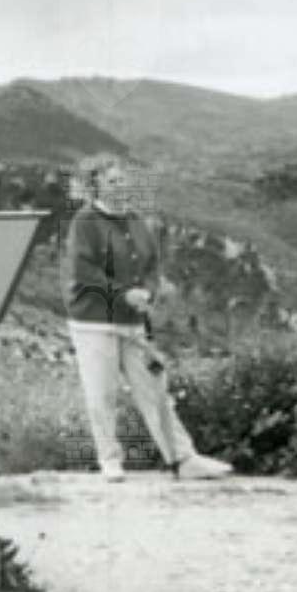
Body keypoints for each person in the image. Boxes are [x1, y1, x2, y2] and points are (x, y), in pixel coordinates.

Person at [65, 155, 232, 483]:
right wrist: (122, 293)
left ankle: (182, 458)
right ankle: (109, 460)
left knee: (155, 389)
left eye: (122, 180)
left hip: (133, 322)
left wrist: (149, 293)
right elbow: (83, 269)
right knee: (102, 393)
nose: (120, 186)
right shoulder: (84, 222)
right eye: (112, 181)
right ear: (95, 186)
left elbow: (152, 265)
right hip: (94, 322)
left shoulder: (135, 221)